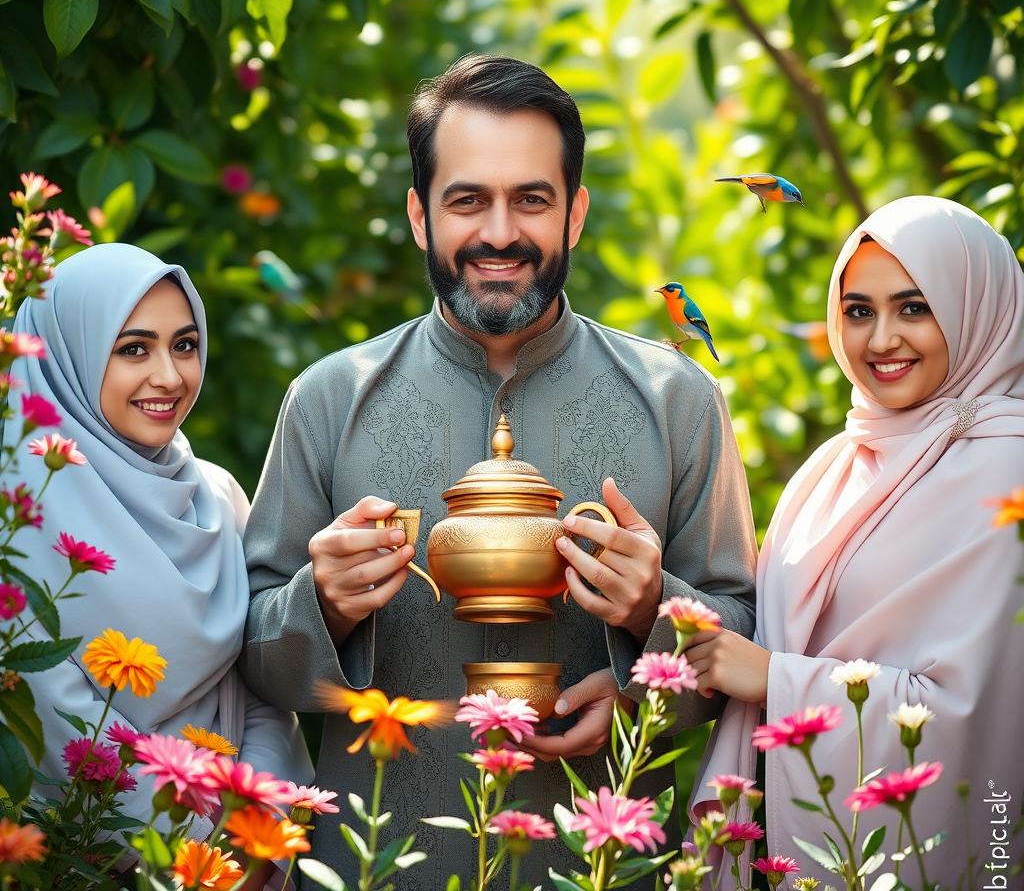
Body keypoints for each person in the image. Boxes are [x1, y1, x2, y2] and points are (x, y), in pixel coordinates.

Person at [239, 53, 758, 886]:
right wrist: (321, 605)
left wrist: (651, 624)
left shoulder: (676, 400)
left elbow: (748, 636)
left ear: (576, 214)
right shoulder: (331, 399)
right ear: (419, 214)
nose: (500, 232)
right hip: (374, 870)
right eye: (467, 199)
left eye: (532, 199)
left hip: (602, 868)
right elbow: (256, 655)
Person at [689, 196, 1024, 884]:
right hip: (782, 833)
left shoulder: (1008, 472)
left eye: (914, 307)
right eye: (859, 311)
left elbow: (979, 712)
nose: (880, 342)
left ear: (976, 307)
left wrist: (775, 681)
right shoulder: (831, 469)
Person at [8, 244, 311, 867]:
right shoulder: (21, 514)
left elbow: (260, 690)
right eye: (133, 349)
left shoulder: (217, 496)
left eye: (185, 345)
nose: (171, 377)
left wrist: (255, 844)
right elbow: (59, 724)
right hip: (78, 858)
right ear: (68, 358)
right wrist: (195, 858)